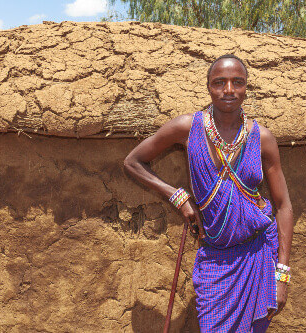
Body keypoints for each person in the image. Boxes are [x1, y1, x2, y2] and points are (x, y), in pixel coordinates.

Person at [124, 54, 294, 332]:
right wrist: (178, 197)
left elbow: (284, 206)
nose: (229, 90)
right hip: (215, 256)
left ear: (246, 88)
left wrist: (282, 274)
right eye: (220, 82)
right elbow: (132, 162)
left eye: (237, 82)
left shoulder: (261, 138)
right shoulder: (188, 127)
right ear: (208, 87)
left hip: (258, 253)